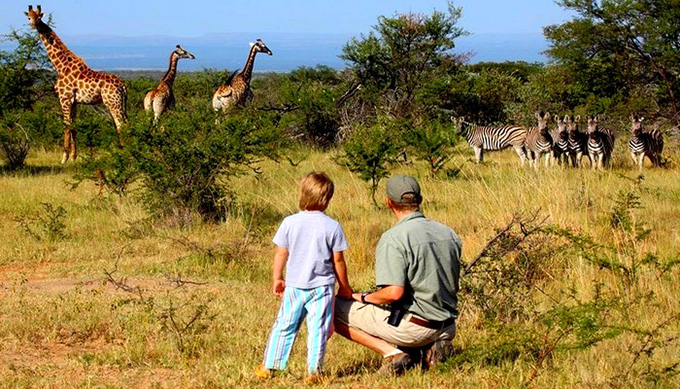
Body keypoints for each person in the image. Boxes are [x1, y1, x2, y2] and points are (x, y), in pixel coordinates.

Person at [334, 174, 461, 375]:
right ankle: (431, 348)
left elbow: (394, 293)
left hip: (416, 327)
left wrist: (365, 298)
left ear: (389, 203)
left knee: (331, 308)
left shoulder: (394, 238)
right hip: (448, 326)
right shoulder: (449, 233)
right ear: (419, 201)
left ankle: (392, 353)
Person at [255, 171, 353, 384]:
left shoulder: (289, 222)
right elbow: (338, 261)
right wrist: (345, 286)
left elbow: (281, 253)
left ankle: (269, 365)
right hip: (323, 287)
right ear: (327, 200)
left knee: (284, 325)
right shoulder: (332, 226)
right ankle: (314, 371)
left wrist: (277, 278)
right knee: (318, 328)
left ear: (302, 193)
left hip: (294, 285)